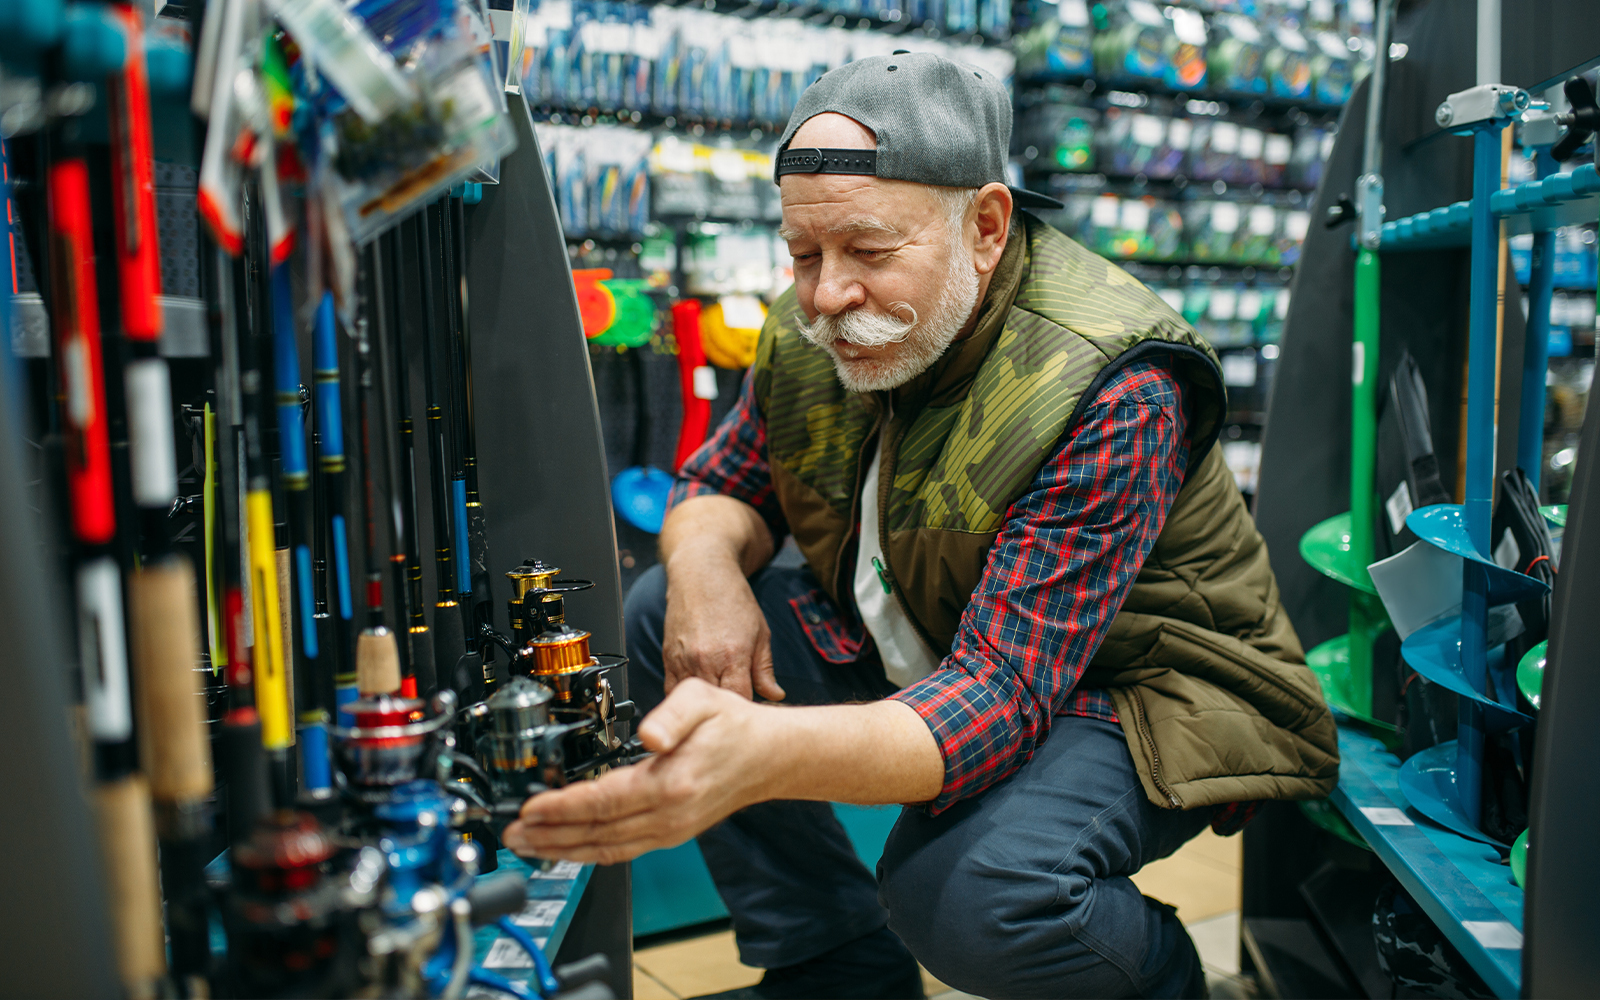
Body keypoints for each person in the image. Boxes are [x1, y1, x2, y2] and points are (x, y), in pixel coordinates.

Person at [503, 51, 1338, 1000]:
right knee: (666, 613)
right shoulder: (820, 322)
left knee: (972, 893)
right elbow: (723, 481)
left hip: (1146, 685)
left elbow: (1000, 694)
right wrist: (702, 570)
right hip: (946, 627)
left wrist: (755, 756)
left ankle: (1162, 986)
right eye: (804, 254)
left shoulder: (1112, 384)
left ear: (985, 225)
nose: (826, 295)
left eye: (867, 251)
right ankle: (836, 961)